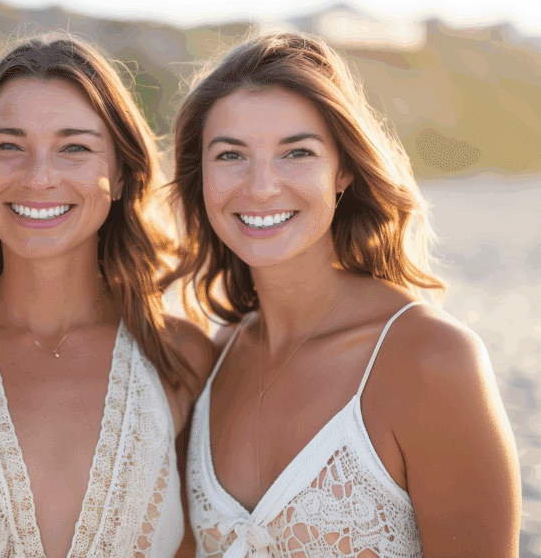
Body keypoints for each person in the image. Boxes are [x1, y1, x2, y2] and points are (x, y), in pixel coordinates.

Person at [166, 32, 521, 557]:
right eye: (231, 155)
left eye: (297, 152)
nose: (261, 186)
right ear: (202, 179)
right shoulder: (214, 361)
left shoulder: (431, 359)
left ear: (344, 171)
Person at [0, 34, 212, 558]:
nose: (39, 177)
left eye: (74, 147)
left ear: (120, 174)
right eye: (8, 146)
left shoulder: (183, 358)